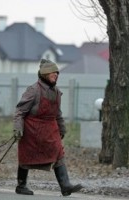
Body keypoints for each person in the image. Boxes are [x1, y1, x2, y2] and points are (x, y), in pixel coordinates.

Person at [13, 58, 82, 196]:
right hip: (32, 130)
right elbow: (20, 111)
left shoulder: (56, 92)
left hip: (50, 129)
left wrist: (62, 128)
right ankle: (21, 185)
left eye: (57, 73)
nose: (56, 75)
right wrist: (18, 128)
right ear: (44, 74)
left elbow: (58, 113)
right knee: (26, 157)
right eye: (53, 73)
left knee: (59, 153)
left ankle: (65, 186)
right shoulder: (33, 90)